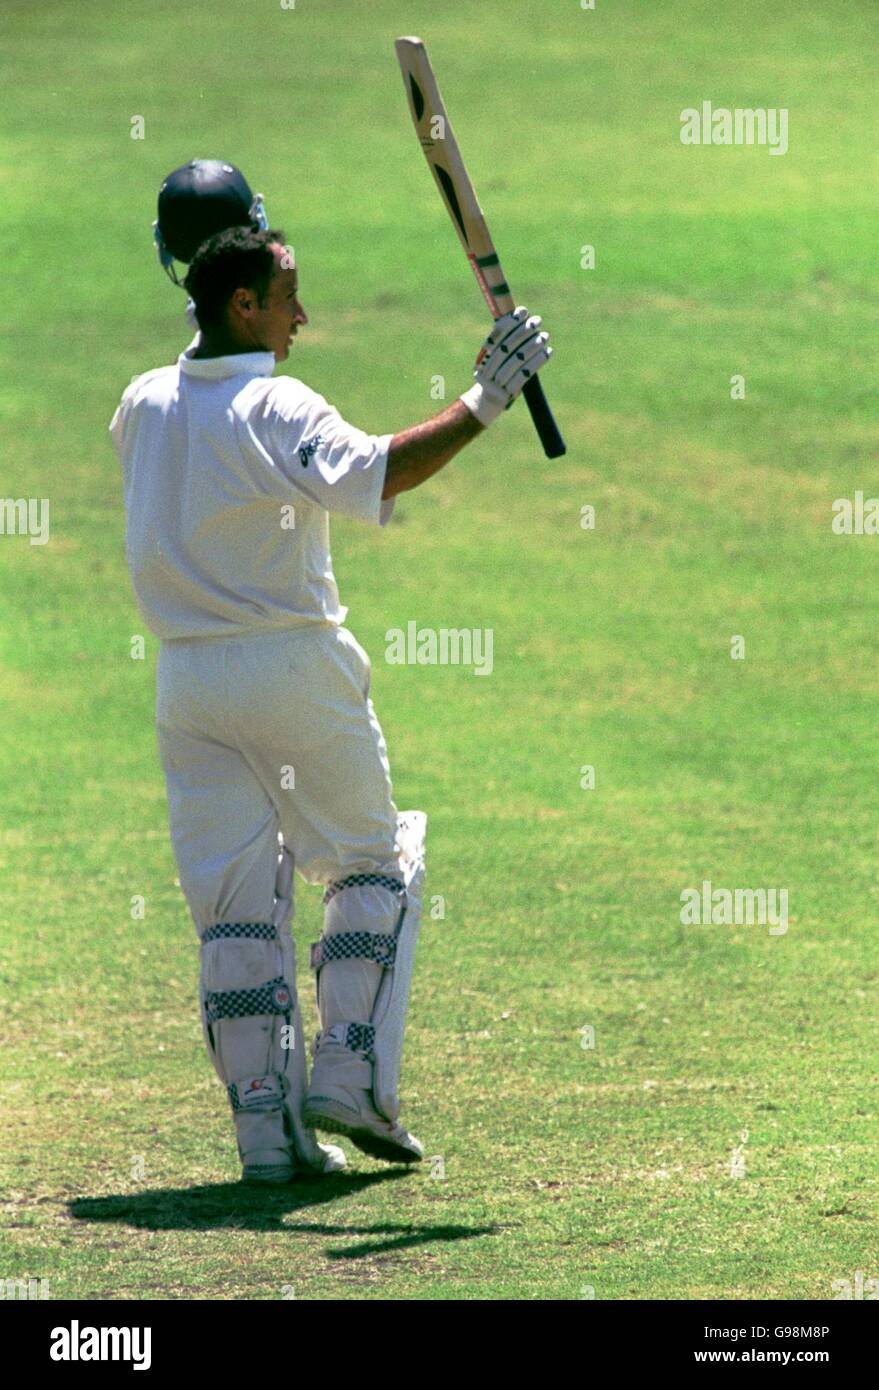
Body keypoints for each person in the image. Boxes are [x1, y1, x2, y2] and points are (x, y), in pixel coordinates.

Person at [110, 220, 552, 1184]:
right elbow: (375, 472)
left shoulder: (139, 402)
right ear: (243, 304)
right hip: (291, 665)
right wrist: (487, 397)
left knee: (234, 909)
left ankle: (265, 1136)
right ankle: (349, 1075)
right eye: (287, 295)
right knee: (373, 861)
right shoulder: (274, 402)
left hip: (186, 682)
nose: (300, 314)